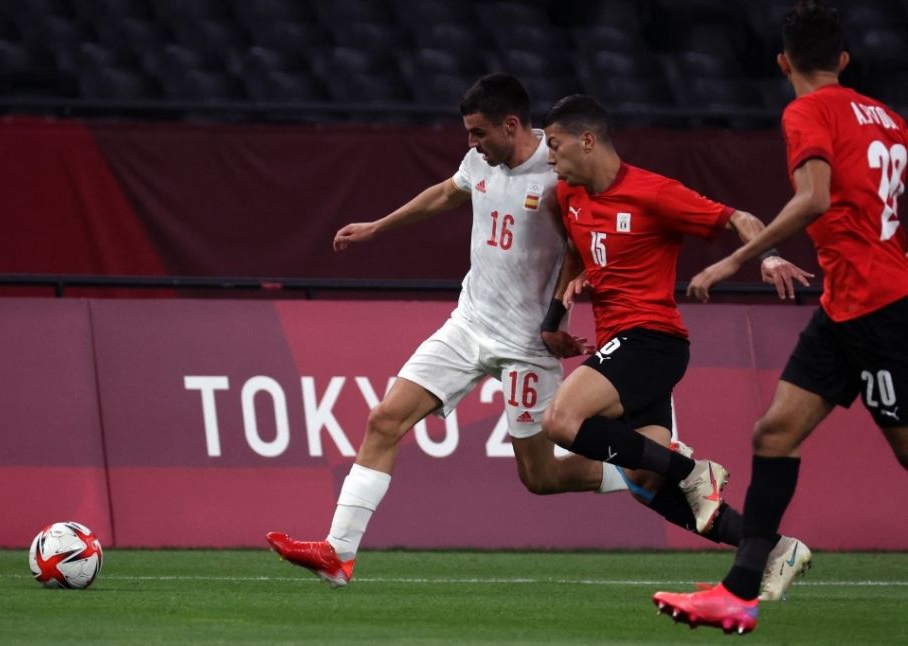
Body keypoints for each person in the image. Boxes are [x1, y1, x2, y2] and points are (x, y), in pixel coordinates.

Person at [265, 74, 804, 597]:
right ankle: (339, 553)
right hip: (469, 323)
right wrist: (379, 227)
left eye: (479, 133)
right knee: (384, 418)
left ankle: (673, 476)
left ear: (512, 124)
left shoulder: (563, 171)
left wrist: (552, 320)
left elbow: (588, 235)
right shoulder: (491, 163)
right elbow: (454, 197)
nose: (471, 144)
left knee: (543, 475)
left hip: (530, 346)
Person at [652, 1, 908, 634]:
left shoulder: (807, 110)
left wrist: (736, 259)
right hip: (846, 304)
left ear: (782, 61)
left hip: (876, 308)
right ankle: (740, 592)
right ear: (844, 60)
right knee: (773, 434)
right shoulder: (890, 119)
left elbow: (814, 196)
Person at [539, 92, 814, 584]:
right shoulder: (568, 195)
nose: (549, 156)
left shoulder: (655, 193)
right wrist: (557, 317)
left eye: (555, 145)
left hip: (652, 339)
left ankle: (693, 473)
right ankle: (773, 550)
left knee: (561, 421)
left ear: (587, 140)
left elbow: (739, 219)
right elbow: (580, 256)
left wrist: (767, 257)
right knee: (646, 481)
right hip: (623, 346)